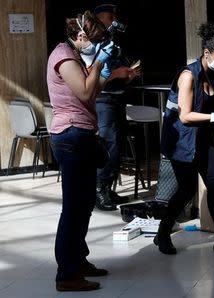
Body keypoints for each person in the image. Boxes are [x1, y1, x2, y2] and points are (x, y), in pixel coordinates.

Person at [155, 22, 214, 255]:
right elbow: (185, 116)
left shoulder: (212, 75)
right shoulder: (188, 75)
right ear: (207, 53)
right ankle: (163, 233)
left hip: (203, 141)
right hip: (182, 142)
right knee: (186, 190)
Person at [47, 10, 114, 291]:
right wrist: (98, 61)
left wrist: (103, 73)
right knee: (73, 208)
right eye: (95, 39)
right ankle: (66, 274)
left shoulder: (75, 55)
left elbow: (92, 89)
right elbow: (85, 93)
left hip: (82, 134)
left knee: (84, 204)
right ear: (81, 36)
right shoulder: (63, 55)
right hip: (70, 136)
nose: (98, 44)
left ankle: (78, 260)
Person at [89, 1, 142, 211]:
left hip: (118, 97)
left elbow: (118, 72)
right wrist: (116, 74)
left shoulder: (114, 42)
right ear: (99, 19)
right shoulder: (94, 43)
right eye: (110, 18)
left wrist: (128, 75)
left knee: (117, 145)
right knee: (108, 144)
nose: (115, 22)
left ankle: (108, 187)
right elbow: (91, 73)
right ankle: (99, 190)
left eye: (115, 18)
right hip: (104, 101)